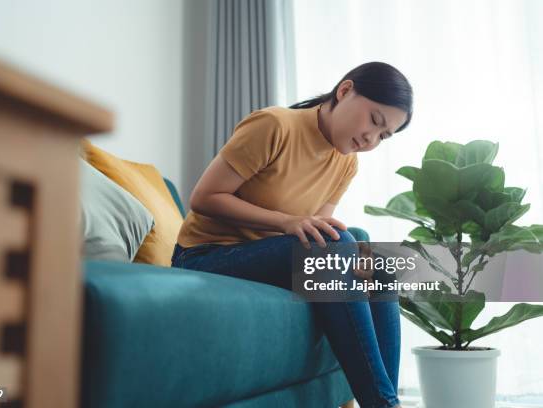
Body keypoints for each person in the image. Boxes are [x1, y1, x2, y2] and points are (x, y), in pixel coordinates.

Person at [171, 61, 413, 408]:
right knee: (341, 246)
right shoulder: (274, 125)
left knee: (373, 256)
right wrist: (286, 222)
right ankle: (383, 404)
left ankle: (384, 400)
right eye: (374, 121)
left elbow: (319, 233)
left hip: (269, 260)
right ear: (345, 90)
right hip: (206, 256)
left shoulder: (346, 162)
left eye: (383, 135)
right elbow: (204, 198)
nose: (370, 139)